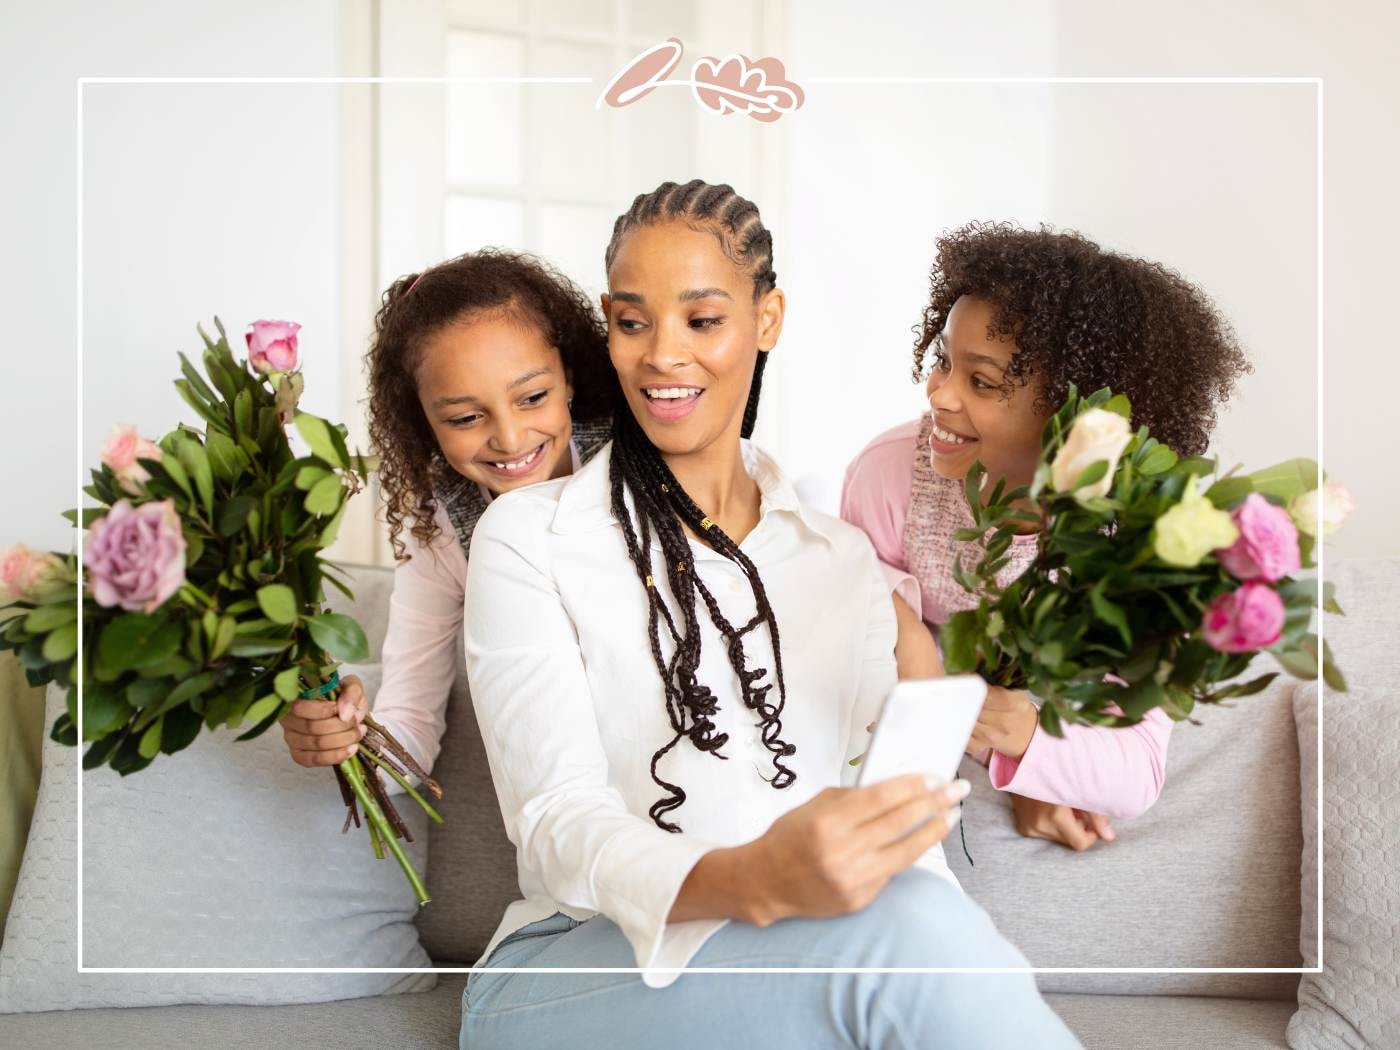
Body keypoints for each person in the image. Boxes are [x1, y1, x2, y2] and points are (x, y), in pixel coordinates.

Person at [459, 181, 1080, 1049]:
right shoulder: (532, 537)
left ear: (768, 318)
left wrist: (946, 940)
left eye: (702, 320)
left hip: (795, 962)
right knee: (902, 952)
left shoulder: (843, 562)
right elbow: (557, 826)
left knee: (926, 930)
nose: (661, 357)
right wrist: (750, 879)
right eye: (634, 323)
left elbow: (903, 835)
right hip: (573, 966)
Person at [841, 221, 1252, 849]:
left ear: (1074, 406)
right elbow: (864, 627)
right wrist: (907, 637)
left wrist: (1031, 752)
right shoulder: (890, 473)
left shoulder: (1142, 537)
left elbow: (1136, 770)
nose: (939, 395)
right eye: (943, 361)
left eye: (980, 382)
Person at [277, 249, 616, 778]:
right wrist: (347, 739)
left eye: (532, 397)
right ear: (424, 420)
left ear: (568, 379)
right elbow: (409, 730)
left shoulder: (636, 463)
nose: (508, 437)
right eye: (465, 416)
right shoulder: (437, 529)